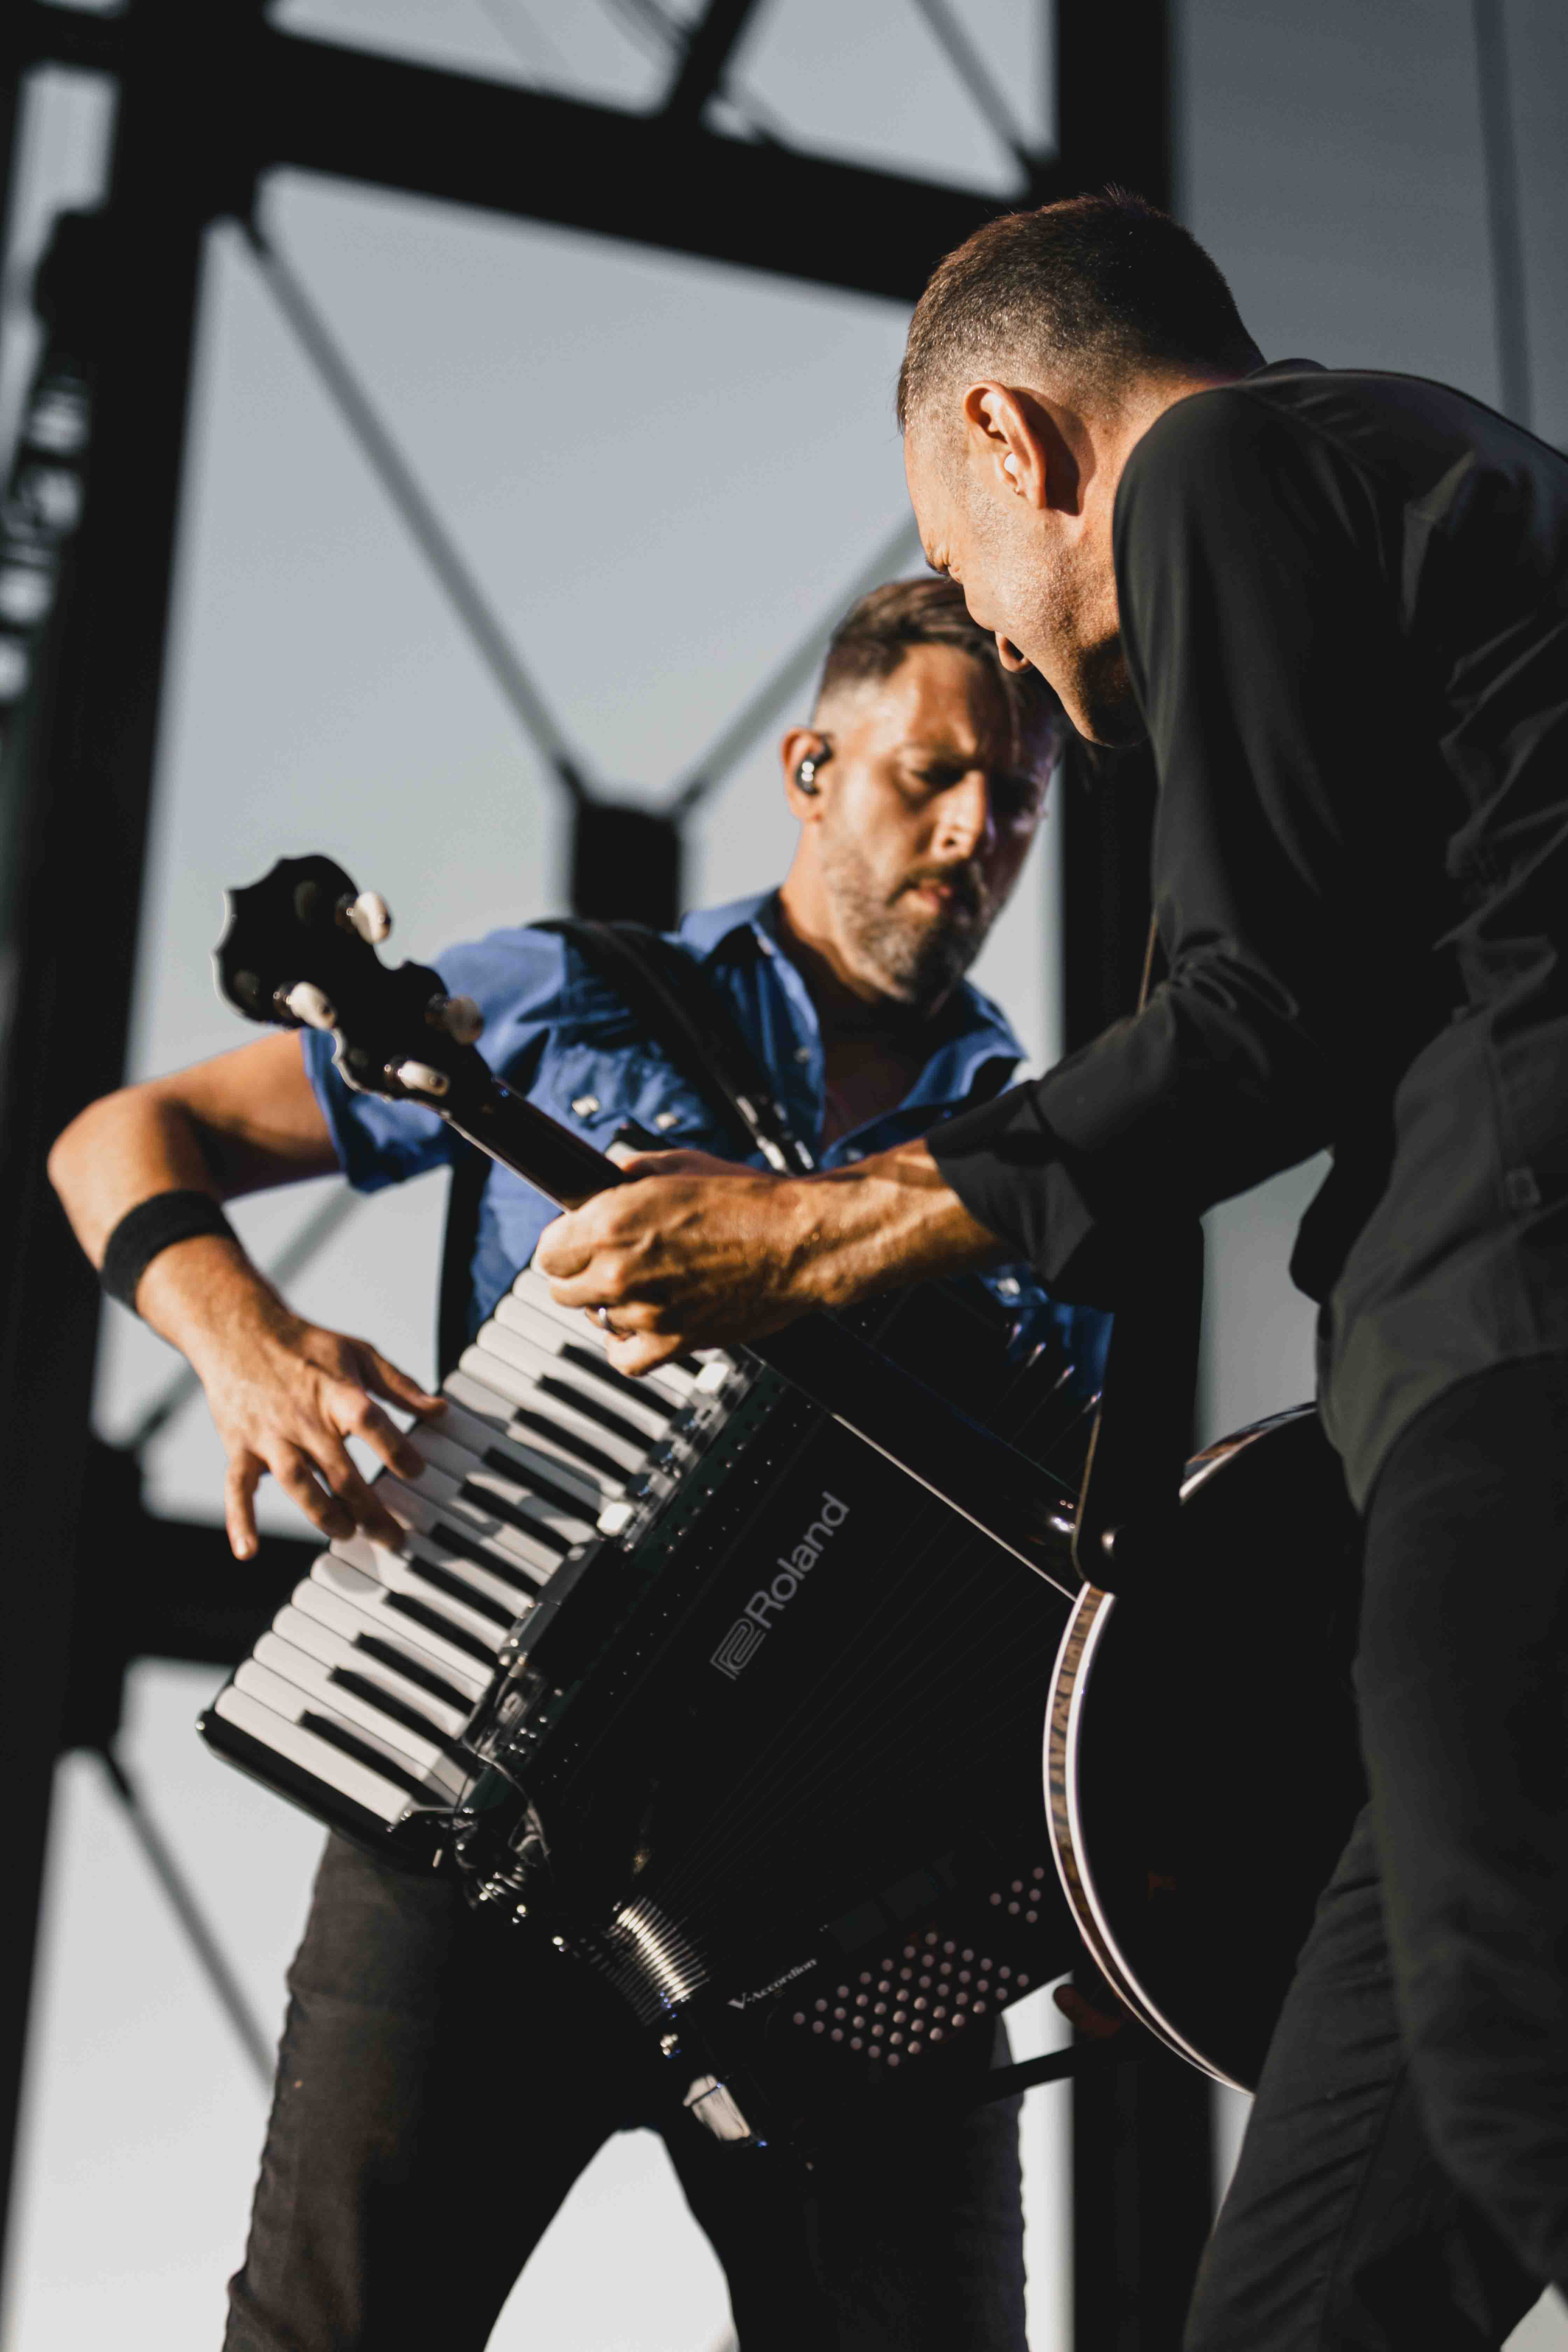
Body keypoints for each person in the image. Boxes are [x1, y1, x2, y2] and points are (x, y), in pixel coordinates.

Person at [534, 194, 1568, 2347]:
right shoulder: (1437, 475)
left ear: (1016, 442)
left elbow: (1248, 1022)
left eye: (975, 570)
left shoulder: (1221, 463)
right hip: (1462, 1399)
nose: (1003, 648)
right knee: (1324, 2281)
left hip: (1527, 1357)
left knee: (1523, 2063)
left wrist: (823, 1228)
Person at [50, 578, 1103, 2352]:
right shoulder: (563, 1001)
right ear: (810, 760)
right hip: (476, 1806)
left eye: (1014, 801)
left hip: (849, 1901)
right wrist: (247, 1339)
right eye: (929, 775)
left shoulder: (1052, 1164)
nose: (974, 831)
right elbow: (123, 1138)